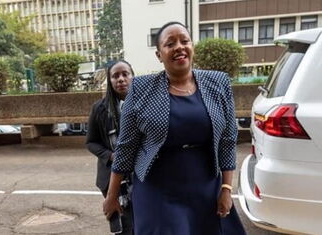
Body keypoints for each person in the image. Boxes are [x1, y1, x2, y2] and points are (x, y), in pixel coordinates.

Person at [103, 21, 246, 235]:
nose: (179, 47)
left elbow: (227, 140)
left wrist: (226, 188)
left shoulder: (218, 82)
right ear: (159, 55)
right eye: (170, 44)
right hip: (157, 187)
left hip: (205, 184)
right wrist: (112, 195)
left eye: (184, 41)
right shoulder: (141, 88)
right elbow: (126, 146)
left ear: (192, 47)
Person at [86, 60, 135, 235]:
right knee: (123, 227)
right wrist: (111, 155)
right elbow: (90, 142)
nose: (121, 79)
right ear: (109, 80)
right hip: (112, 178)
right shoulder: (99, 109)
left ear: (133, 76)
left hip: (139, 175)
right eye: (115, 76)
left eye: (125, 74)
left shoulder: (142, 106)